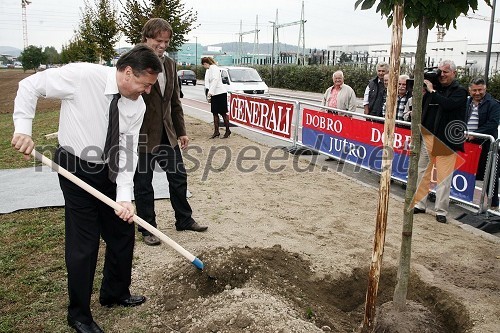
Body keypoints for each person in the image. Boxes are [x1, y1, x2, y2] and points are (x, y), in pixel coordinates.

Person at [11, 45, 162, 333]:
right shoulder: (82, 76)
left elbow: (128, 152)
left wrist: (125, 197)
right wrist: (23, 128)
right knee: (85, 242)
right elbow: (29, 86)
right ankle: (79, 315)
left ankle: (114, 293)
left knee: (121, 231)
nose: (147, 91)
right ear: (128, 72)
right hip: (74, 167)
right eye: (145, 84)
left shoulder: (137, 105)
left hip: (110, 169)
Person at [134, 18, 208, 247]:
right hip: (141, 135)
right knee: (143, 184)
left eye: (166, 41)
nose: (163, 45)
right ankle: (148, 228)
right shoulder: (133, 60)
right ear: (146, 37)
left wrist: (181, 131)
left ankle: (184, 219)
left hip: (167, 133)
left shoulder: (170, 64)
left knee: (178, 177)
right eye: (158, 40)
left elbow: (174, 101)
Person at [413, 59, 468, 223]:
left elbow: (448, 105)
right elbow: (422, 108)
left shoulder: (460, 91)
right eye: (440, 72)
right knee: (423, 172)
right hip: (428, 137)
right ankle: (420, 204)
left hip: (447, 141)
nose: (442, 75)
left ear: (454, 73)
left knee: (444, 178)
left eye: (445, 72)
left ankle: (441, 211)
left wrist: (431, 91)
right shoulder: (432, 90)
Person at [466, 77, 500, 209]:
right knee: (466, 170)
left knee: (491, 173)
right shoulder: (467, 102)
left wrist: (475, 135)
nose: (477, 93)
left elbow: (493, 123)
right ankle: (461, 195)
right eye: (474, 90)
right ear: (470, 90)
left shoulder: (493, 104)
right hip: (468, 144)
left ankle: (493, 204)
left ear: (485, 89)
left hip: (486, 145)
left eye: (480, 90)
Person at [201, 56, 231, 139]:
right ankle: (216, 131)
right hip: (214, 93)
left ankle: (228, 130)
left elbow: (215, 80)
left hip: (220, 93)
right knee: (214, 113)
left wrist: (210, 92)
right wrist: (208, 94)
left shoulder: (214, 68)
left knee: (223, 113)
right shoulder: (208, 70)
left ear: (206, 63)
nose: (204, 66)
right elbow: (207, 82)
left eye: (203, 65)